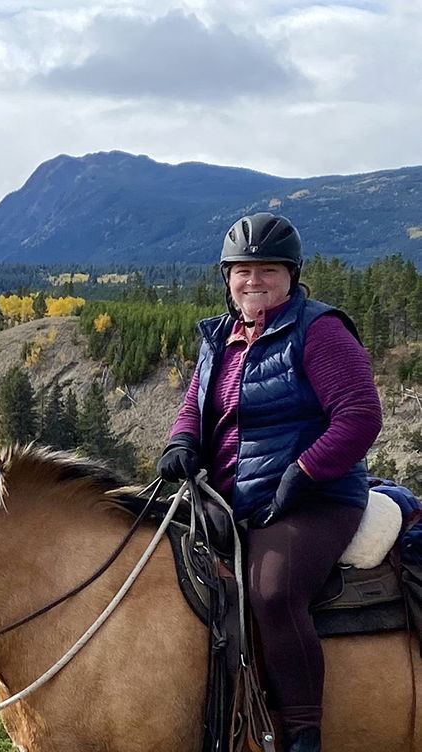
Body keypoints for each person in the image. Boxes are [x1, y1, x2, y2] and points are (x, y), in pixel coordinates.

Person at [158, 212, 382, 752]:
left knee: (272, 592)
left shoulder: (319, 330)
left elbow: (359, 416)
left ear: (291, 275)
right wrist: (180, 442)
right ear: (227, 277)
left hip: (313, 499)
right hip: (227, 497)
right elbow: (195, 406)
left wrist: (303, 473)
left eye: (268, 270)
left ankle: (303, 733)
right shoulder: (219, 337)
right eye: (242, 270)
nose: (253, 280)